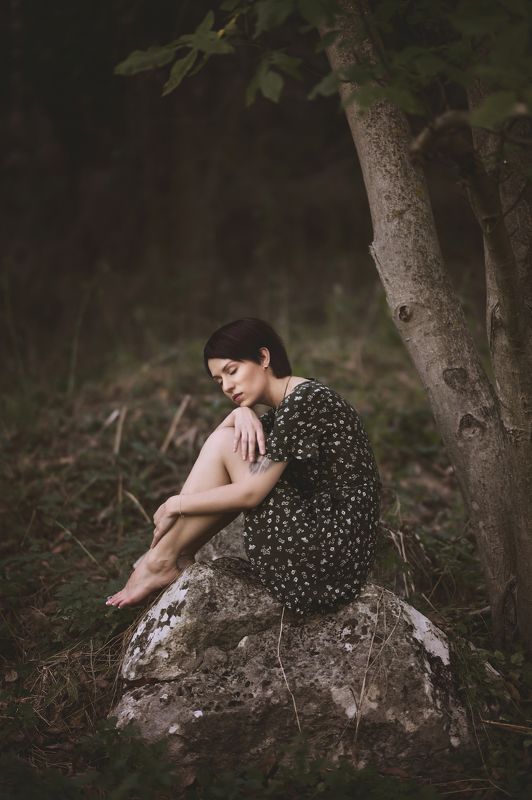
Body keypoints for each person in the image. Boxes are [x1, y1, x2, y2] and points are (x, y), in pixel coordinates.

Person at [106, 318, 381, 612]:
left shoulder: (304, 402)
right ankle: (173, 555)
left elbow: (251, 492)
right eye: (219, 381)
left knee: (230, 443)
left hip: (322, 558)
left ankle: (160, 560)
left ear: (263, 357)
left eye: (232, 371)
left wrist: (176, 503)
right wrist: (238, 414)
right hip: (332, 553)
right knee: (231, 441)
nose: (227, 386)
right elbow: (221, 453)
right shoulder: (290, 405)